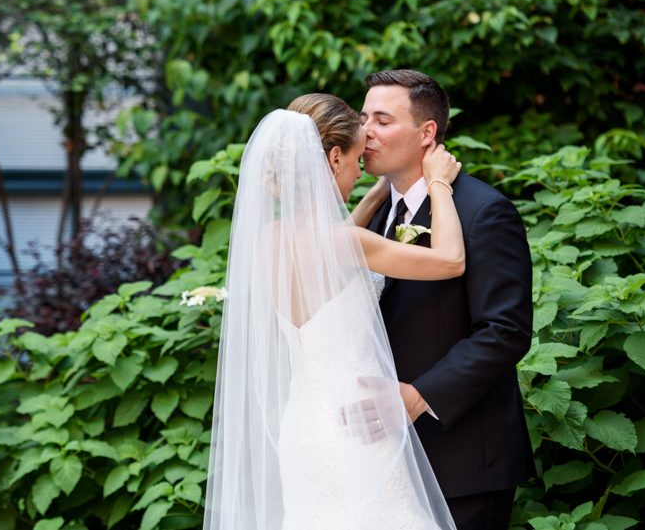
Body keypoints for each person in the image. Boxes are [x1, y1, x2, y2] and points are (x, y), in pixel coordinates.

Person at [203, 93, 464, 530]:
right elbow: (451, 260)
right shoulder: (346, 244)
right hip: (356, 427)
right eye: (359, 162)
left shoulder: (268, 240)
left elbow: (326, 252)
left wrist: (377, 195)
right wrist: (438, 182)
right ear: (334, 157)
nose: (362, 174)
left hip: (302, 431)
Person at [360, 70, 535, 530]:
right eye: (363, 119)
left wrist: (417, 397)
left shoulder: (482, 211)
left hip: (462, 461)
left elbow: (505, 331)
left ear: (427, 133)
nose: (366, 132)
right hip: (383, 460)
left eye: (382, 119)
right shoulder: (375, 212)